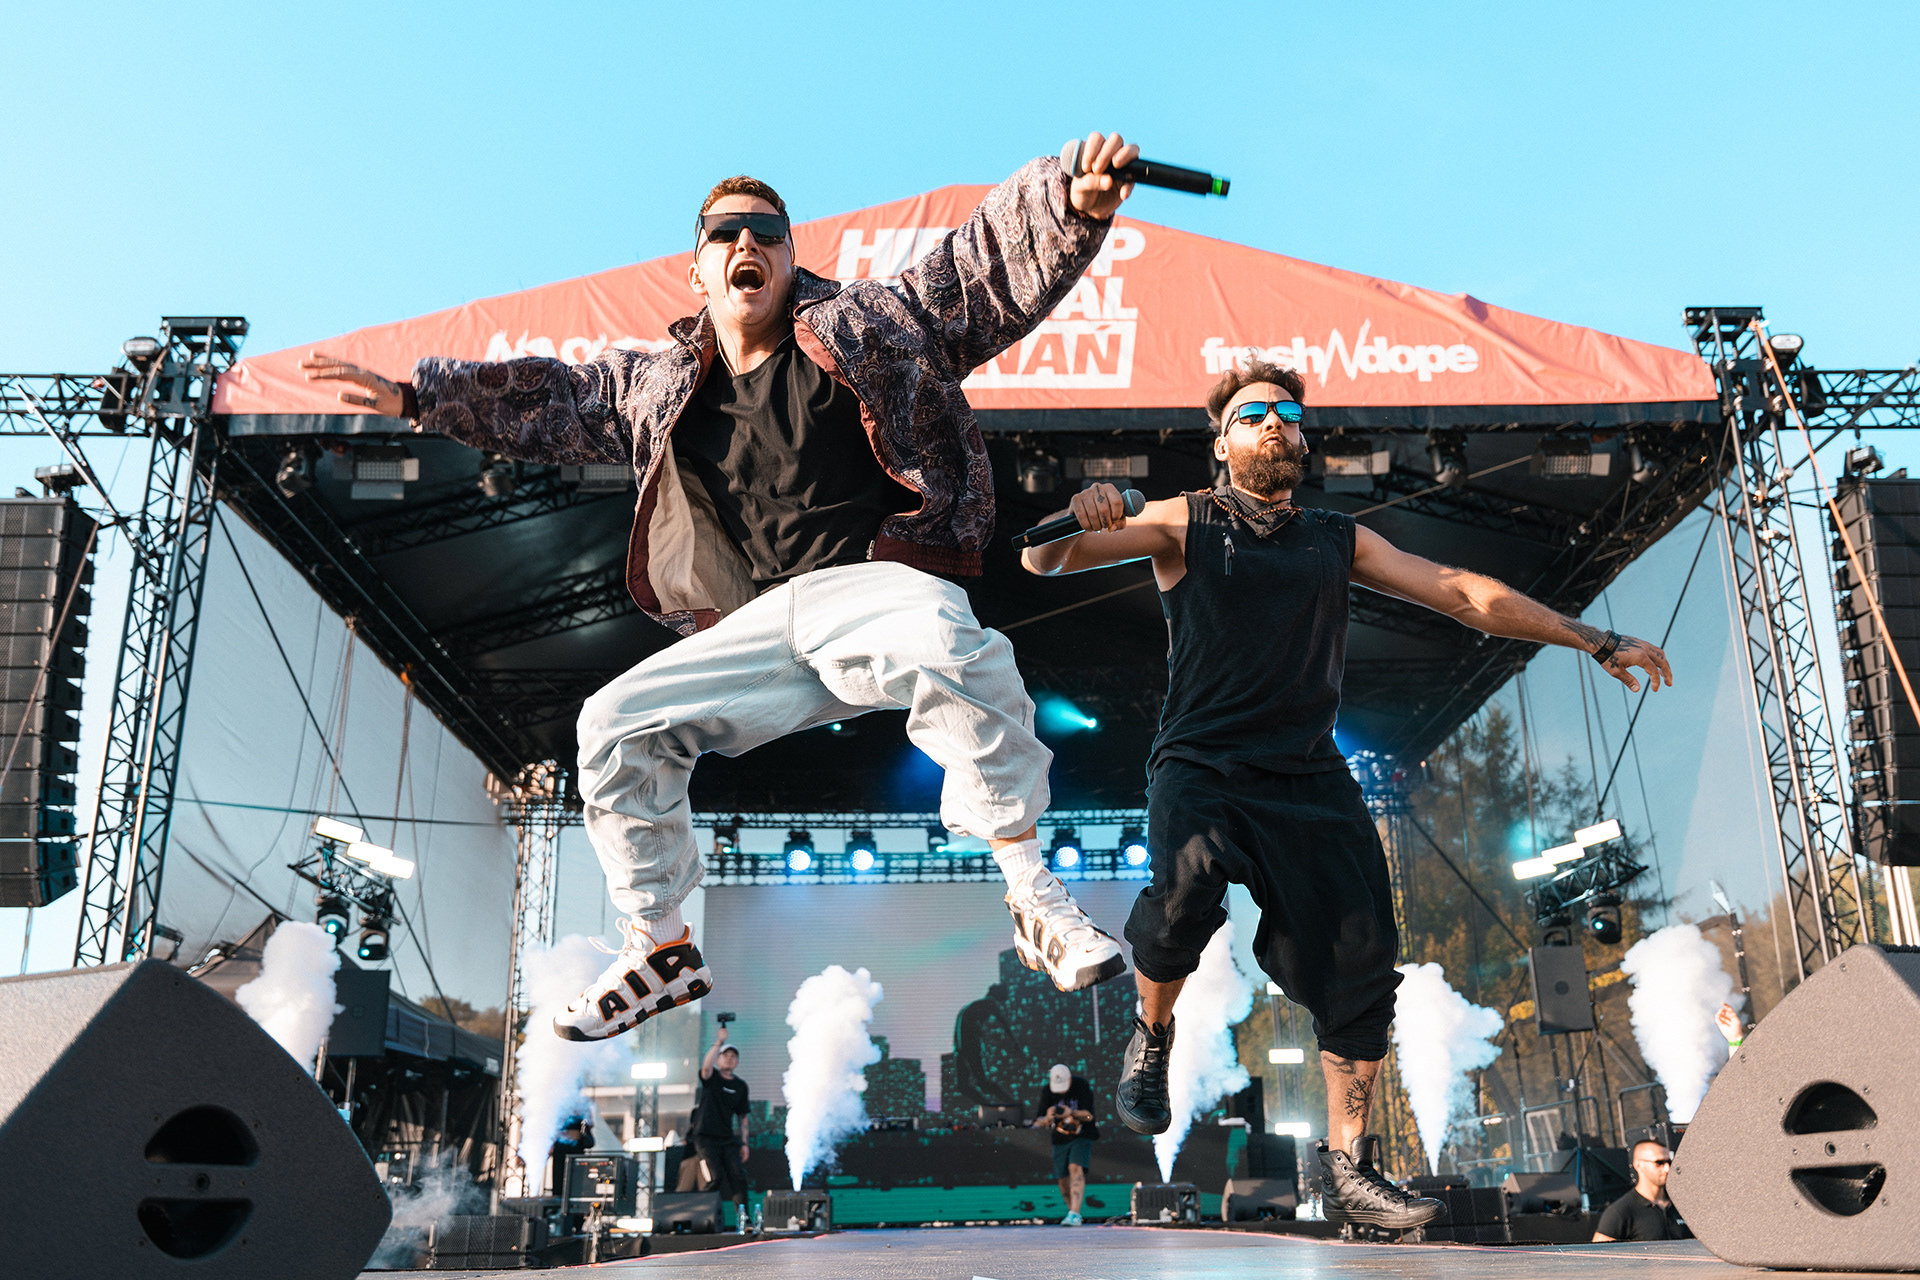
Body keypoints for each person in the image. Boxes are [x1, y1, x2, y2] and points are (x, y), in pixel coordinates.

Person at [302, 134, 1146, 1038]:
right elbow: (549, 398)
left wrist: (1070, 204)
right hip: (754, 629)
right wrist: (419, 398)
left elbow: (975, 272)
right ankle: (661, 944)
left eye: (768, 232)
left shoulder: (868, 325)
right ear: (697, 267)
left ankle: (1031, 893)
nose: (749, 243)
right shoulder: (656, 386)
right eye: (727, 232)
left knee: (948, 639)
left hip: (865, 590)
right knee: (611, 725)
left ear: (790, 258)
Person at [1020, 359, 1675, 1230]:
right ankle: (1154, 1033)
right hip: (1203, 763)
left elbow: (1462, 593)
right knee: (1182, 897)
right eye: (1254, 412)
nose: (1276, 422)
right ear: (1222, 442)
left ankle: (1349, 1168)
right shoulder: (1185, 519)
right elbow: (1042, 558)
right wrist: (1082, 511)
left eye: (1289, 413)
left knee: (1362, 963)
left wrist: (1593, 638)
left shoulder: (1338, 538)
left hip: (1309, 776)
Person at [693, 1025, 751, 1224]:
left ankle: (744, 1219)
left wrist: (745, 1144)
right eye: (726, 1055)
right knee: (714, 1177)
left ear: (737, 1062)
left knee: (738, 1176)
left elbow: (743, 1117)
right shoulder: (712, 1078)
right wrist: (719, 1042)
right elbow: (705, 1069)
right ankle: (703, 1220)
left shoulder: (740, 1086)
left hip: (727, 1139)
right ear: (718, 1059)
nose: (729, 1059)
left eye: (734, 1056)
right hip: (705, 1137)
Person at [1032, 1063, 1098, 1226]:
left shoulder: (1081, 1086)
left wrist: (1071, 1113)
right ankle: (1072, 1212)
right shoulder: (1048, 1091)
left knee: (1075, 1167)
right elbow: (1038, 1121)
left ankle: (1075, 1212)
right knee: (1062, 1178)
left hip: (1082, 1134)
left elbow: (1089, 1116)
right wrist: (1047, 1118)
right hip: (1060, 1137)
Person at [1593, 1140, 1689, 1241]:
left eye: (1669, 1162)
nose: (1667, 1169)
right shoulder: (1620, 1212)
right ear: (1638, 1165)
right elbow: (1602, 1249)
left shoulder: (1682, 1204)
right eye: (1659, 1163)